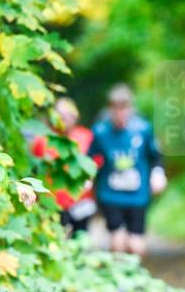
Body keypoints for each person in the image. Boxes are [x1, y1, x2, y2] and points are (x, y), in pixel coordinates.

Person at [88, 84, 167, 256]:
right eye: (116, 109)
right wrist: (88, 177)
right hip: (110, 194)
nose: (120, 114)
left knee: (136, 245)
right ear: (110, 109)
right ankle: (118, 271)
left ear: (131, 108)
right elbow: (90, 158)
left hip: (137, 195)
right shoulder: (100, 131)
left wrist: (158, 174)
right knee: (118, 241)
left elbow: (156, 156)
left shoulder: (143, 129)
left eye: (124, 108)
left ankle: (134, 270)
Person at [31, 97, 96, 236]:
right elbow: (35, 171)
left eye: (68, 114)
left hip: (81, 201)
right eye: (61, 114)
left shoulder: (86, 136)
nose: (65, 119)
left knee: (80, 239)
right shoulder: (43, 140)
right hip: (52, 202)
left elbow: (96, 164)